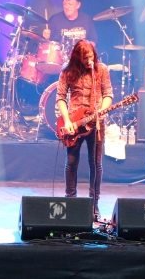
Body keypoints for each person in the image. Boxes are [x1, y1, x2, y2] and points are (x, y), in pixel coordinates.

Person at [55, 39, 113, 220]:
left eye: (91, 57)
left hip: (96, 123)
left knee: (96, 164)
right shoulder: (67, 70)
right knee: (72, 162)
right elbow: (61, 97)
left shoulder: (101, 69)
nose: (89, 61)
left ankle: (94, 204)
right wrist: (67, 120)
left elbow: (108, 94)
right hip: (74, 122)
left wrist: (102, 110)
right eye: (85, 58)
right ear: (77, 57)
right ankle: (70, 201)